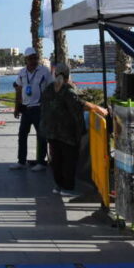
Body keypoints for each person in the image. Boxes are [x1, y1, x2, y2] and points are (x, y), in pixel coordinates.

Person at [41, 62, 108, 194]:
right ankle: (67, 187)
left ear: (55, 74)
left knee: (57, 160)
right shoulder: (67, 89)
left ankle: (58, 186)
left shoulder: (49, 88)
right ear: (68, 75)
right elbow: (79, 104)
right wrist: (98, 108)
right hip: (67, 133)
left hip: (52, 131)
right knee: (69, 161)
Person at [11, 47, 52, 171]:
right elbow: (18, 89)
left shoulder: (44, 71)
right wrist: (16, 107)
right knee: (22, 135)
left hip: (39, 108)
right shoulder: (22, 72)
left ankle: (41, 162)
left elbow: (51, 88)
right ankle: (21, 161)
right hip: (26, 109)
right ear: (26, 59)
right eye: (31, 58)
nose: (34, 60)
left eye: (35, 58)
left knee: (41, 135)